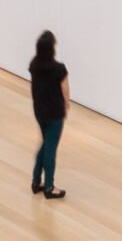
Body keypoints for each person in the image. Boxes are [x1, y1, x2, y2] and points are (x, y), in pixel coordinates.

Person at [29, 31, 70, 199]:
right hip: (54, 115)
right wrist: (66, 105)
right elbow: (66, 93)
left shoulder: (34, 65)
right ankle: (49, 187)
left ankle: (36, 181)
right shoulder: (59, 69)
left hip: (39, 111)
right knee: (50, 148)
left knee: (46, 144)